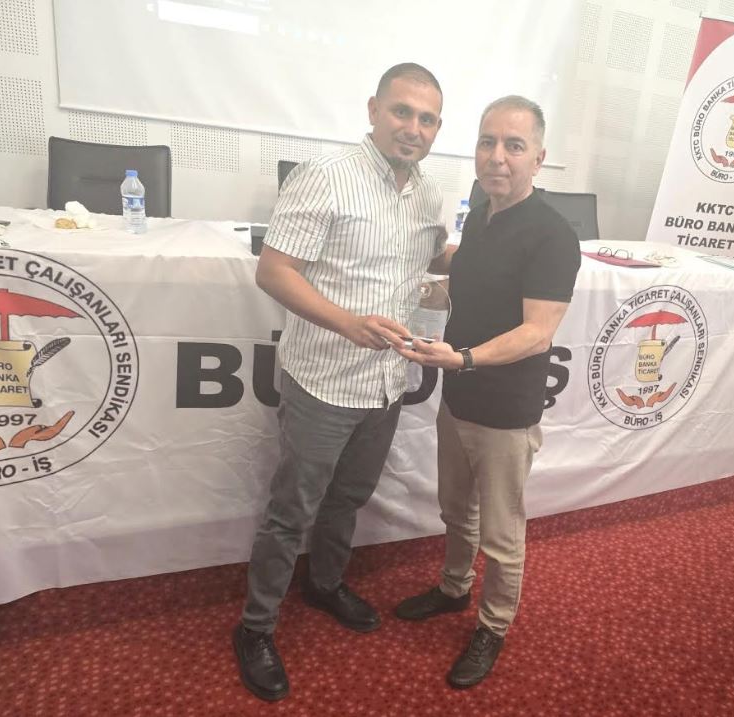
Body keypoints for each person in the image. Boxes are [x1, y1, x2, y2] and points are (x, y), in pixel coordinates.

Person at [233, 63, 447, 702]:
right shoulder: (326, 175)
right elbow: (274, 271)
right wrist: (348, 323)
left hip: (385, 383)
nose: (413, 128)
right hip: (324, 381)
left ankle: (324, 584)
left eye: (427, 119)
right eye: (402, 111)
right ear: (374, 109)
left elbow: (427, 266)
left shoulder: (429, 194)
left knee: (348, 498)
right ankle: (255, 627)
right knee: (291, 512)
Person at [394, 96, 581, 688]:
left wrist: (465, 358)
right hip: (459, 394)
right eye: (487, 142)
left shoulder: (553, 235)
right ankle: (454, 589)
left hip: (504, 409)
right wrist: (416, 288)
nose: (497, 156)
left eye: (514, 145)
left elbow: (537, 332)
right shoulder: (480, 213)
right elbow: (470, 286)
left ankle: (493, 626)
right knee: (455, 509)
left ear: (538, 158)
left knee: (501, 534)